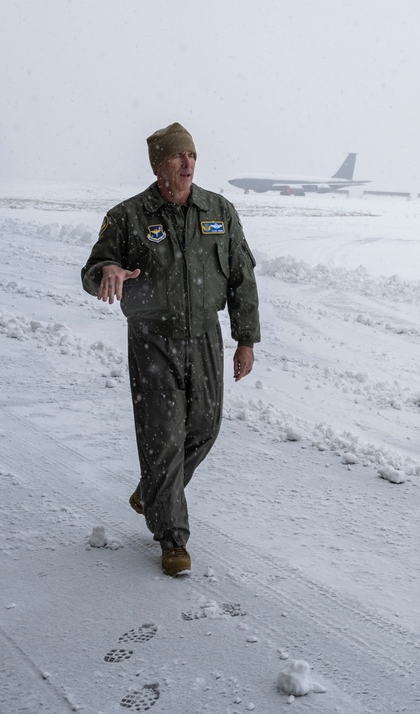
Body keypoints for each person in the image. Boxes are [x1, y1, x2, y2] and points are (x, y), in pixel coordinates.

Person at [81, 122, 260, 576]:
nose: (188, 164)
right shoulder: (128, 216)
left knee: (204, 427)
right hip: (151, 338)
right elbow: (93, 268)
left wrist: (246, 340)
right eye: (178, 157)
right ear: (159, 166)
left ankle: (153, 491)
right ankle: (172, 538)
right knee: (163, 436)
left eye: (193, 156)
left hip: (204, 336)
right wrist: (108, 271)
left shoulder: (219, 210)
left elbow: (242, 277)